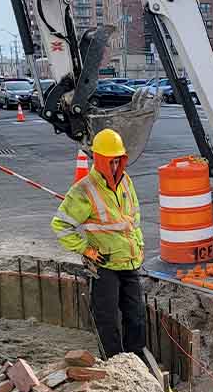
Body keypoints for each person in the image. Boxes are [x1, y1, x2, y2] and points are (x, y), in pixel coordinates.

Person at [51, 129, 145, 357]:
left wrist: (138, 245)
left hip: (130, 262)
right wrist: (86, 250)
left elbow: (134, 218)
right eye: (110, 162)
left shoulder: (126, 181)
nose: (115, 167)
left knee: (136, 315)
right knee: (107, 317)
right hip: (105, 265)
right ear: (100, 160)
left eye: (118, 161)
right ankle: (113, 360)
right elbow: (61, 226)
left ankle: (137, 359)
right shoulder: (84, 190)